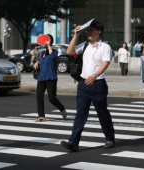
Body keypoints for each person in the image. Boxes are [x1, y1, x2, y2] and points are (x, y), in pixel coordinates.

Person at [60, 19, 115, 152]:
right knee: (80, 114)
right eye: (87, 30)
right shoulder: (85, 45)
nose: (88, 32)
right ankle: (73, 142)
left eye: (91, 30)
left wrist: (95, 75)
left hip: (98, 84)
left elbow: (105, 63)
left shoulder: (105, 47)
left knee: (102, 113)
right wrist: (76, 35)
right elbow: (70, 51)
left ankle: (110, 138)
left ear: (99, 31)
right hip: (83, 84)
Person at [33, 34, 66, 122]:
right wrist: (37, 64)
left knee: (52, 98)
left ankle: (62, 108)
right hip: (41, 78)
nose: (44, 43)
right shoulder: (43, 53)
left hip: (51, 78)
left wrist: (49, 45)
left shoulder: (54, 52)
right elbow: (41, 62)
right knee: (39, 97)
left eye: (45, 41)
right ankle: (41, 116)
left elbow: (52, 57)